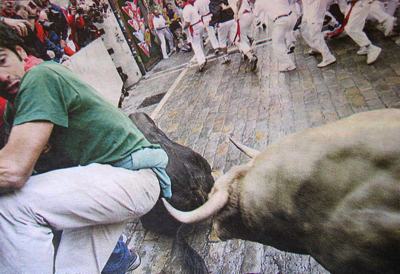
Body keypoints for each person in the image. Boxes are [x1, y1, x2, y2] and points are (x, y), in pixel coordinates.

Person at [0, 22, 171, 273]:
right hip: (105, 185)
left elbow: (12, 171)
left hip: (130, 177)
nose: (1, 75)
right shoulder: (13, 112)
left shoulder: (40, 76)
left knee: (11, 207)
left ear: (21, 52)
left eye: (2, 60)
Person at [301, 0, 337, 68]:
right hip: (307, 7)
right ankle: (316, 48)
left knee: (315, 33)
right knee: (304, 29)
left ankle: (328, 57)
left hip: (315, 7)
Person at [181, 0, 207, 71]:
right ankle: (203, 57)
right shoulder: (190, 6)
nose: (179, 3)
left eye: (180, 2)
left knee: (196, 45)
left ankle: (201, 61)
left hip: (195, 27)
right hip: (199, 25)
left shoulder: (186, 9)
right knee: (200, 42)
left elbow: (187, 23)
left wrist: (183, 29)